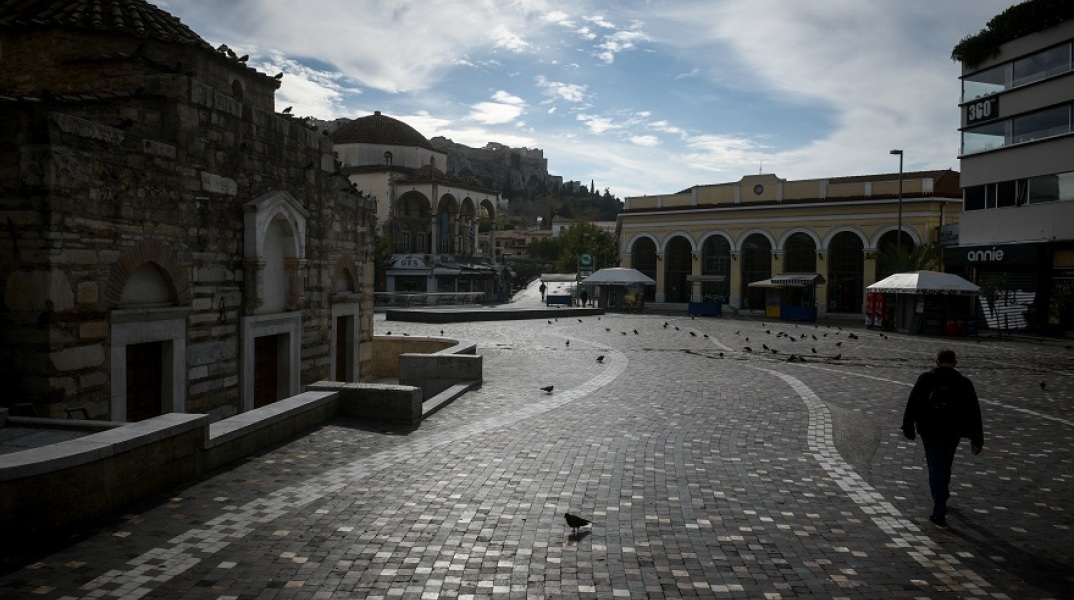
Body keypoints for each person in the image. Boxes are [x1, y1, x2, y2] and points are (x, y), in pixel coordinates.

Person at [901, 349, 984, 526]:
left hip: (930, 428)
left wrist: (908, 426)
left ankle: (939, 507)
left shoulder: (926, 378)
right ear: (955, 362)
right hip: (953, 430)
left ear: (937, 361)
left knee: (935, 465)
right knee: (946, 463)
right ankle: (943, 495)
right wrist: (977, 438)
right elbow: (973, 411)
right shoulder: (963, 382)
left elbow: (913, 403)